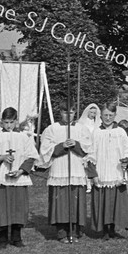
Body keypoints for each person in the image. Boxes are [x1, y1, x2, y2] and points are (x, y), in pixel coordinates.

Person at [38, 100, 94, 243]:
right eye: (65, 112)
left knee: (75, 201)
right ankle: (62, 232)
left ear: (75, 112)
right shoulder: (52, 129)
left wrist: (76, 144)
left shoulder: (82, 129)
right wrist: (61, 146)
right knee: (61, 201)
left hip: (76, 169)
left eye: (71, 112)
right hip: (60, 168)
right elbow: (45, 150)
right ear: (60, 113)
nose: (68, 115)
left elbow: (89, 149)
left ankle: (75, 231)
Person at [0, 107, 39, 248]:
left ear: (16, 121)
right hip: (2, 177)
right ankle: (2, 238)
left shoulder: (23, 137)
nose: (9, 125)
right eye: (6, 122)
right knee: (3, 207)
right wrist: (1, 157)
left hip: (18, 178)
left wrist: (21, 171)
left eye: (11, 122)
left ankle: (16, 237)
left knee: (17, 207)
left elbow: (31, 156)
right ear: (1, 122)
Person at [90, 102, 128, 240]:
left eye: (111, 115)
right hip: (102, 171)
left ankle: (112, 229)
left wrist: (127, 160)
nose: (108, 118)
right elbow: (90, 154)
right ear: (101, 116)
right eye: (105, 115)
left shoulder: (120, 132)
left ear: (115, 115)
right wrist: (93, 174)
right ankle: (103, 229)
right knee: (103, 202)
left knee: (115, 202)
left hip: (116, 172)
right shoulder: (96, 132)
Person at [77, 103, 101, 192]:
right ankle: (88, 185)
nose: (93, 115)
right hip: (85, 144)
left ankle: (95, 181)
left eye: (94, 113)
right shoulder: (82, 122)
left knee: (94, 164)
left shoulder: (98, 122)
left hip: (95, 144)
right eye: (91, 112)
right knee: (86, 165)